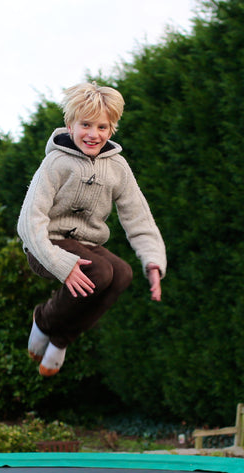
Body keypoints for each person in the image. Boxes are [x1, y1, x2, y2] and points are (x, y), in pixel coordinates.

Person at [17, 82, 166, 377]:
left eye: (102, 126)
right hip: (45, 244)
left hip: (86, 246)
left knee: (122, 273)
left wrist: (153, 261)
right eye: (85, 125)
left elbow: (139, 216)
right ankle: (43, 320)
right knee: (100, 271)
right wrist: (60, 263)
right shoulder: (56, 162)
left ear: (112, 130)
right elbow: (28, 221)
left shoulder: (118, 168)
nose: (93, 134)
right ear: (70, 125)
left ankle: (60, 340)